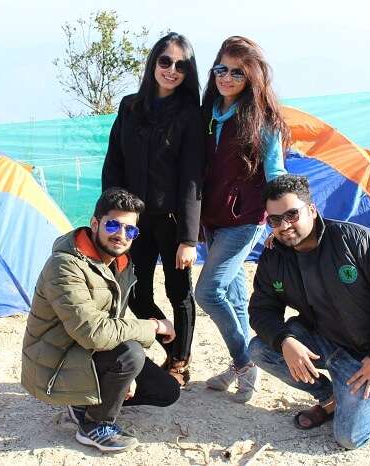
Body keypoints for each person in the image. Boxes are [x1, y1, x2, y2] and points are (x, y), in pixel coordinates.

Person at [248, 174, 370, 449]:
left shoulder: (356, 241)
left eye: (292, 215)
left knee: (350, 438)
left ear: (312, 210)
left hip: (369, 352)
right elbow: (261, 309)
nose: (284, 226)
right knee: (259, 350)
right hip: (323, 339)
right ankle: (331, 398)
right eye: (275, 220)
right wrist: (285, 341)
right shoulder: (274, 255)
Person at [21, 188, 180, 453]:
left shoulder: (119, 263)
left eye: (130, 230)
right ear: (95, 223)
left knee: (166, 391)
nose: (121, 235)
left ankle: (82, 402)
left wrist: (121, 379)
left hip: (83, 352)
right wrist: (152, 326)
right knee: (131, 353)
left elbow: (111, 324)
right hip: (56, 364)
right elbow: (93, 333)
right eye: (114, 224)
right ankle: (94, 425)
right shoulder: (64, 265)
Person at [102, 32, 204, 386]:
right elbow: (113, 162)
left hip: (173, 222)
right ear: (153, 63)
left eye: (180, 65)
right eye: (165, 61)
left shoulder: (192, 114)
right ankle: (168, 336)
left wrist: (189, 238)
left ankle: (179, 362)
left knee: (179, 293)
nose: (171, 70)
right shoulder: (130, 106)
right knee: (136, 293)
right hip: (133, 223)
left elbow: (193, 178)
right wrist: (110, 216)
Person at [195, 36, 289, 402]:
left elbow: (275, 173)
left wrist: (280, 222)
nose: (228, 77)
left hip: (245, 220)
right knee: (233, 297)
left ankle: (244, 362)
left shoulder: (262, 120)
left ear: (250, 77)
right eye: (222, 69)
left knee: (207, 291)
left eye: (237, 72)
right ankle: (245, 364)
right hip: (212, 221)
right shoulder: (208, 113)